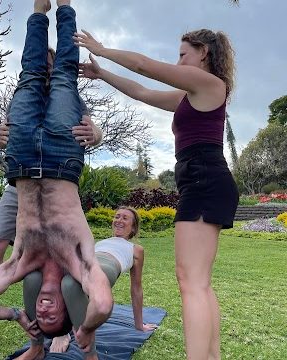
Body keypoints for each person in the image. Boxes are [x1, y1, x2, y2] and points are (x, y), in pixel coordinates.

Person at [0, 0, 113, 357]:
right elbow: (102, 305)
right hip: (61, 155)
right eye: (51, 315)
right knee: (64, 75)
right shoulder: (79, 261)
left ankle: (38, 10)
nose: (43, 310)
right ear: (65, 311)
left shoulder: (20, 263)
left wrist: (15, 315)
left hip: (24, 159)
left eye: (38, 317)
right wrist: (85, 330)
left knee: (29, 74)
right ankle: (64, 7)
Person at [74, 28, 239, 360]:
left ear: (203, 52)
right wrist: (101, 73)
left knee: (191, 281)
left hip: (204, 179)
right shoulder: (190, 95)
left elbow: (143, 65)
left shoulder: (210, 84)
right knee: (199, 282)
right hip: (202, 181)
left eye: (182, 54)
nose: (179, 61)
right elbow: (141, 91)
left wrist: (102, 50)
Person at [20, 206, 158, 359]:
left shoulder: (135, 249)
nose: (119, 220)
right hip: (84, 262)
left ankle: (90, 355)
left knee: (70, 284)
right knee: (33, 279)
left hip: (107, 266)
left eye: (125, 218)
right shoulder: (100, 241)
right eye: (117, 216)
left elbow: (136, 288)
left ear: (133, 228)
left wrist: (139, 324)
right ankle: (37, 346)